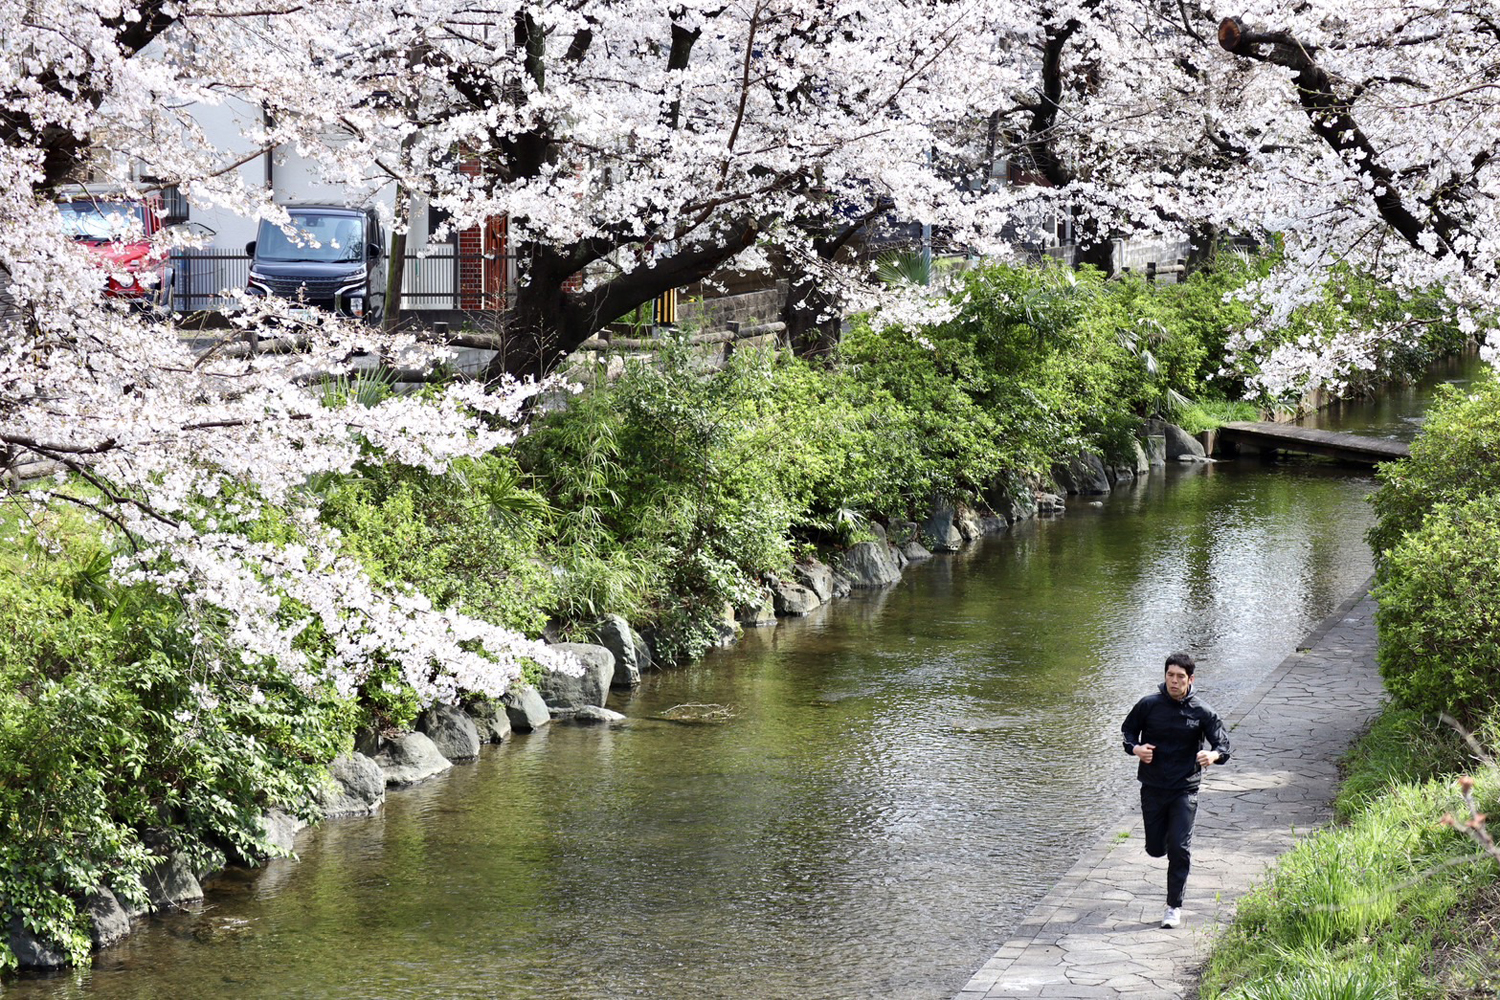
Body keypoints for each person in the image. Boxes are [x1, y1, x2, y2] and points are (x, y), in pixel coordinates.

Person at [1120, 651, 1231, 929]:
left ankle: (1173, 907)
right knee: (1156, 849)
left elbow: (1224, 745)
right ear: (1165, 676)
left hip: (1185, 789)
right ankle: (1164, 842)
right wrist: (1136, 749)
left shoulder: (1202, 712)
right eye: (1170, 675)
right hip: (1153, 787)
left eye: (1180, 677)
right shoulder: (1148, 705)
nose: (1174, 681)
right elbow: (1127, 732)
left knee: (1180, 849)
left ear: (1190, 679)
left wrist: (1213, 756)